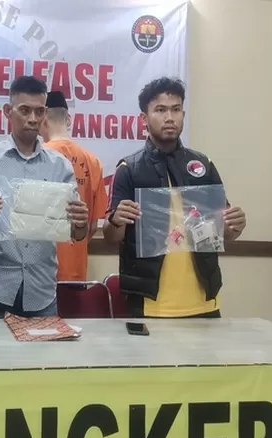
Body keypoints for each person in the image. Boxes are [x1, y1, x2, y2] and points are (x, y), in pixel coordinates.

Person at [103, 77, 246, 318]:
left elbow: (225, 232)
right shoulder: (128, 169)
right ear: (144, 118)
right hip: (150, 304)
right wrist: (116, 220)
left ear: (183, 113)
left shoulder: (203, 165)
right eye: (160, 110)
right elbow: (111, 236)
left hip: (204, 302)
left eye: (176, 109)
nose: (170, 117)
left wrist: (235, 225)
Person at [0, 76, 90, 319]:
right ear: (8, 111)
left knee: (45, 347)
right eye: (24, 110)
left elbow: (77, 233)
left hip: (41, 289)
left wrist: (81, 222)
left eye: (39, 111)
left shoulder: (60, 166)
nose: (33, 118)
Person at [39, 90, 108, 281]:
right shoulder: (93, 162)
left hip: (39, 273)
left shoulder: (36, 158)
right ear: (68, 119)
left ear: (42, 119)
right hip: (75, 271)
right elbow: (91, 227)